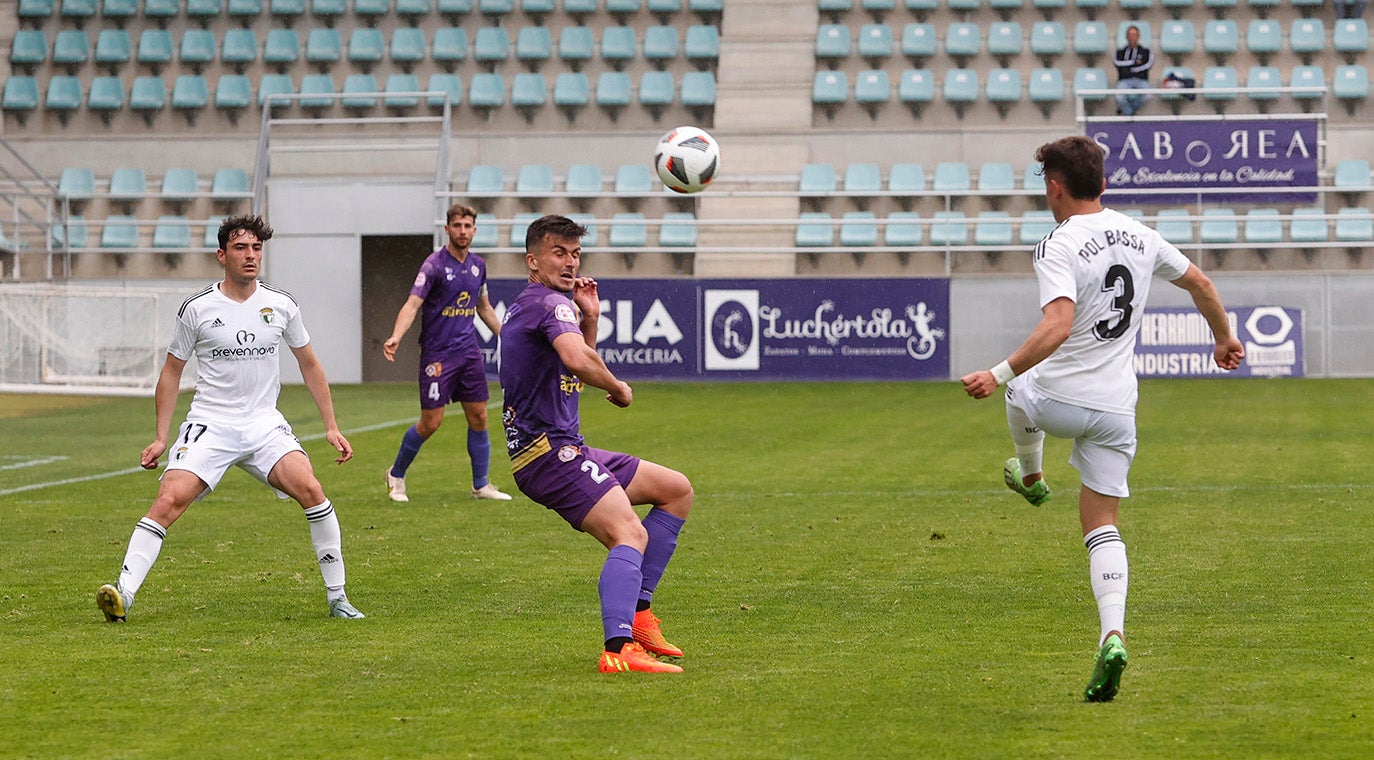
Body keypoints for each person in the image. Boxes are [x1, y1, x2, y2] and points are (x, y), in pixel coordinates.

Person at [960, 136, 1245, 702]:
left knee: (1018, 390)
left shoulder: (1057, 244)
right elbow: (1202, 284)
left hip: (1062, 397)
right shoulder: (1140, 233)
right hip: (1118, 409)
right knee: (1102, 525)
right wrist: (1224, 337)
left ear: (1054, 187)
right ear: (1105, 185)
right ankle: (1112, 634)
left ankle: (1033, 476)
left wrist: (997, 371)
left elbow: (1058, 326)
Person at [97, 214, 365, 622]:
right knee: (168, 500)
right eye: (241, 248)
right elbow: (172, 372)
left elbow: (309, 365)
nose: (251, 255)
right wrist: (160, 436)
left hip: (263, 425)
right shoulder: (197, 309)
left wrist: (331, 426)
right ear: (222, 255)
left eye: (257, 248)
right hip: (211, 423)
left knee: (312, 490)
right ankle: (124, 595)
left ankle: (338, 598)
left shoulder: (282, 305)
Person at [499, 214, 694, 674]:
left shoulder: (541, 305)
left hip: (566, 447)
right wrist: (618, 386)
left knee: (676, 490)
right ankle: (618, 648)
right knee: (630, 533)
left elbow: (569, 368)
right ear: (532, 260)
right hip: (548, 454)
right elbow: (575, 361)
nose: (569, 263)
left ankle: (640, 617)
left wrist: (592, 319)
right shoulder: (547, 304)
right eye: (558, 253)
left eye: (575, 254)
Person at [382, 203, 511, 503]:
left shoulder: (478, 266)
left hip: (468, 353)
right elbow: (413, 304)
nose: (463, 231)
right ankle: (396, 473)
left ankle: (481, 485)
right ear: (448, 229)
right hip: (437, 355)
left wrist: (508, 336)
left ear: (474, 230)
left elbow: (484, 307)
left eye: (468, 226)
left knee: (479, 416)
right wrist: (396, 336)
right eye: (457, 226)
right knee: (431, 422)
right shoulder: (434, 266)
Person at [1113, 25, 1154, 116]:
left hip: (1141, 80)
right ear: (1127, 36)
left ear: (1138, 36)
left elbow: (1148, 65)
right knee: (1118, 96)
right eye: (1130, 35)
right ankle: (1130, 114)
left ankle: (1127, 111)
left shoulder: (1145, 51)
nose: (1132, 37)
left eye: (1134, 35)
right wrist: (1134, 62)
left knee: (1149, 95)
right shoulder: (1120, 52)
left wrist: (1128, 68)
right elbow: (1117, 63)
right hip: (1124, 81)